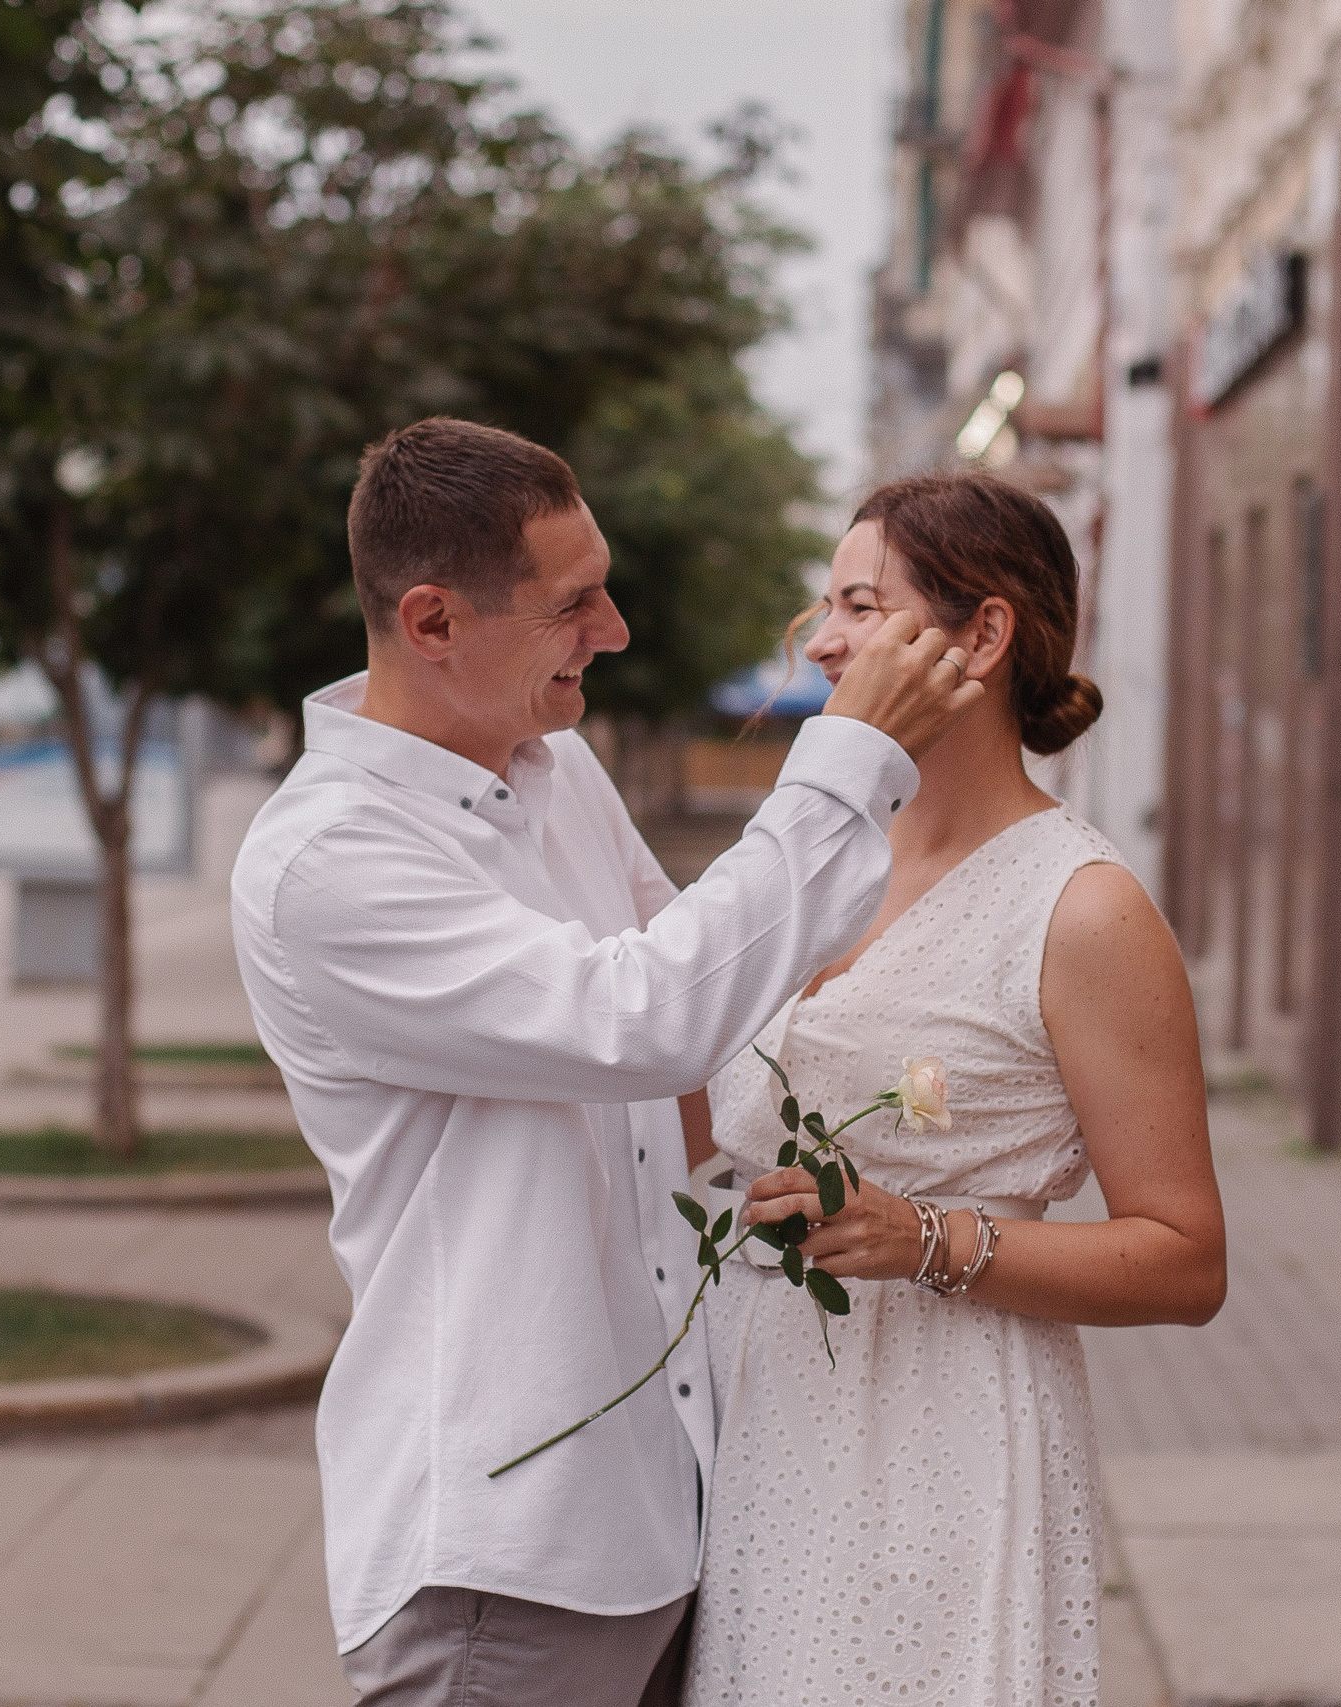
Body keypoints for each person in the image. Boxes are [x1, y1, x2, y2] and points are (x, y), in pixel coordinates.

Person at [228, 418, 982, 1707]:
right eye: (572, 604)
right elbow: (643, 1018)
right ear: (431, 621)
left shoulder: (556, 768)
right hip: (506, 1546)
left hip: (664, 1496)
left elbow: (715, 1013)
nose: (615, 630)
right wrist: (847, 763)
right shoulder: (328, 862)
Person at [684, 471, 1230, 1707]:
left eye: (860, 605)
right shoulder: (811, 858)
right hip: (755, 1413)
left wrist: (925, 1236)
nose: (824, 641)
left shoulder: (1081, 909)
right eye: (824, 607)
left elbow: (1186, 1260)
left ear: (982, 634)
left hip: (938, 1436)